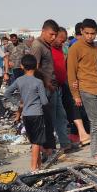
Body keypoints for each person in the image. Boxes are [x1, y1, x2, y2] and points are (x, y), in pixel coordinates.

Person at [30, 19, 70, 152]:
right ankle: (50, 149)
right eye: (51, 34)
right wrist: (46, 83)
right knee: (49, 120)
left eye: (55, 35)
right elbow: (33, 69)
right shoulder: (37, 46)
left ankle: (65, 144)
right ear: (43, 31)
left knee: (61, 117)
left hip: (55, 87)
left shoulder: (46, 45)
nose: (53, 38)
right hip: (46, 88)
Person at [67, 18, 97, 158]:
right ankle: (95, 152)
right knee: (96, 122)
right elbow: (71, 73)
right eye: (87, 33)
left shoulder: (96, 47)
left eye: (93, 33)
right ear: (82, 31)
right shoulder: (75, 49)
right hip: (86, 88)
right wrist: (76, 95)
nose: (90, 36)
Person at [4, 54, 49, 171]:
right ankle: (34, 169)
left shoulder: (19, 80)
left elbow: (7, 93)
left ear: (22, 66)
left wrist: (19, 103)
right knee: (36, 142)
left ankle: (39, 166)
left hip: (26, 114)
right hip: (37, 114)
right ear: (36, 66)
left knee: (34, 141)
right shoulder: (38, 82)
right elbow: (44, 101)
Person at [53, 26, 89, 145]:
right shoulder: (46, 49)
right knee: (59, 115)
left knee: (69, 110)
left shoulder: (63, 49)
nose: (62, 42)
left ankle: (76, 135)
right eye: (61, 39)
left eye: (64, 40)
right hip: (52, 87)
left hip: (64, 84)